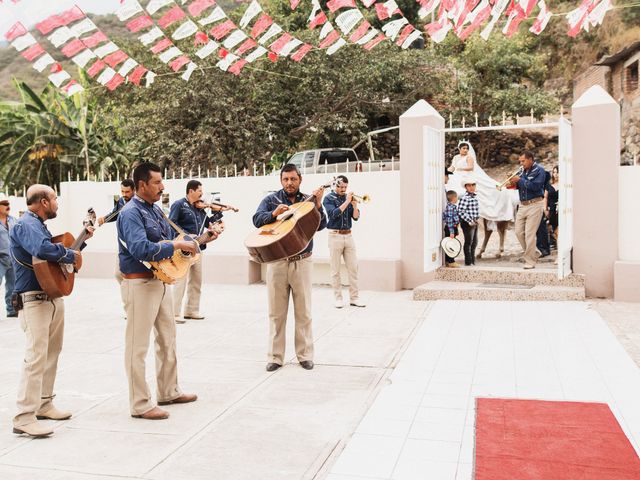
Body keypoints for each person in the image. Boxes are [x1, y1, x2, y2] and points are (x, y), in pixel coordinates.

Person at [117, 163, 219, 420]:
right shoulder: (130, 213)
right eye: (157, 183)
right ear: (141, 185)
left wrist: (201, 239)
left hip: (160, 281)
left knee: (167, 339)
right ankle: (140, 404)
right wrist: (174, 243)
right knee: (136, 347)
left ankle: (168, 391)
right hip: (139, 283)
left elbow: (173, 245)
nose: (162, 187)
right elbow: (140, 248)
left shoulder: (155, 211)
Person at [11, 185, 94, 437]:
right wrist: (70, 254)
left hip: (51, 296)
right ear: (43, 202)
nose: (57, 203)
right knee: (36, 357)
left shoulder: (39, 225)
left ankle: (44, 403)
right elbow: (42, 251)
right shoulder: (27, 224)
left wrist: (81, 243)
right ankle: (24, 416)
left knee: (51, 353)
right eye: (54, 199)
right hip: (34, 299)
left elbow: (51, 260)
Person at [252, 164, 327, 372]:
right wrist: (273, 215)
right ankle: (275, 357)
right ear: (281, 181)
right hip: (277, 262)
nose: (289, 183)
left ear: (300, 179)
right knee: (276, 313)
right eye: (285, 179)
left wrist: (318, 205)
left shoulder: (308, 201)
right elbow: (256, 219)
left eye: (293, 179)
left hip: (302, 261)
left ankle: (305, 355)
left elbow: (322, 225)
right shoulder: (270, 200)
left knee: (304, 312)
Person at [169, 180, 226, 323]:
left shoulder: (200, 208)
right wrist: (184, 238)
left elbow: (209, 223)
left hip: (198, 249)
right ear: (191, 191)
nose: (202, 193)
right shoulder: (179, 205)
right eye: (200, 190)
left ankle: (191, 310)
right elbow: (170, 224)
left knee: (196, 281)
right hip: (183, 249)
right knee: (180, 281)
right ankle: (174, 313)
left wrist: (218, 220)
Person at [447, 141, 517, 223]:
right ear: (459, 149)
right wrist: (447, 172)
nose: (465, 150)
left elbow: (470, 167)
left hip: (466, 174)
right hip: (457, 174)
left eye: (467, 149)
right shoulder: (456, 157)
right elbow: (452, 167)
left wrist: (460, 169)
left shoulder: (469, 157)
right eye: (464, 148)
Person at [323, 175, 365, 309]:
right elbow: (333, 214)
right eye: (340, 187)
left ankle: (355, 298)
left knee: (353, 268)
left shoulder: (349, 198)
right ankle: (338, 298)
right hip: (335, 236)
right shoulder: (328, 198)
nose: (343, 189)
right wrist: (347, 201)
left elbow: (356, 217)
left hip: (349, 236)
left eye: (345, 187)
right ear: (335, 185)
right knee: (335, 270)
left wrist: (355, 205)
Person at [97, 179, 135, 296]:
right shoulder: (122, 201)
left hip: (136, 244)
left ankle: (133, 299)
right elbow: (115, 214)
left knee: (134, 276)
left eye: (127, 192)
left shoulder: (139, 203)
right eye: (122, 191)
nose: (124, 194)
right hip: (123, 245)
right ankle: (130, 296)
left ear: (134, 190)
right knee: (118, 274)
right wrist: (104, 219)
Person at [508, 151, 546, 269]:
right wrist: (511, 181)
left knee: (530, 234)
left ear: (531, 159)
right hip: (523, 205)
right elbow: (518, 186)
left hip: (535, 204)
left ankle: (530, 261)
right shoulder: (521, 171)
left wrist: (519, 180)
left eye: (523, 161)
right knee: (519, 232)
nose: (521, 163)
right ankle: (534, 252)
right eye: (520, 161)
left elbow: (536, 186)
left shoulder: (540, 170)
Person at [0, 198, 17, 318]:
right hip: (0, 259)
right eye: (4, 204)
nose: (8, 206)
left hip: (13, 258)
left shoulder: (13, 220)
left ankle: (11, 310)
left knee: (12, 285)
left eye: (8, 204)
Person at [457, 179, 480, 266]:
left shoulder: (475, 196)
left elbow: (474, 210)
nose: (471, 187)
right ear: (466, 187)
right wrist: (470, 221)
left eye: (473, 185)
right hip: (467, 223)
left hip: (474, 221)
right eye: (469, 185)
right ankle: (468, 262)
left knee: (474, 242)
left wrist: (476, 218)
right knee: (468, 242)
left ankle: (472, 261)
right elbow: (461, 211)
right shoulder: (465, 198)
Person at [536, 170, 552, 258]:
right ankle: (542, 248)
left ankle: (543, 248)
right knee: (540, 228)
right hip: (539, 205)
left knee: (541, 228)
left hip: (542, 206)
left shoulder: (544, 177)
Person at [442, 190, 460, 267]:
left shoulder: (452, 206)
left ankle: (448, 261)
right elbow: (449, 220)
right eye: (457, 197)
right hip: (450, 228)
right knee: (450, 245)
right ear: (454, 198)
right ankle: (451, 261)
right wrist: (452, 232)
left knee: (451, 244)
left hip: (453, 228)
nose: (457, 199)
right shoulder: (450, 207)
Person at [547, 165, 559, 249]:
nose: (556, 174)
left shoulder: (565, 185)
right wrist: (545, 209)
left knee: (559, 231)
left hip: (561, 210)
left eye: (558, 172)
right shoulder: (550, 184)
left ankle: (559, 251)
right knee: (554, 231)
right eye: (554, 172)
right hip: (552, 210)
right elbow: (545, 197)